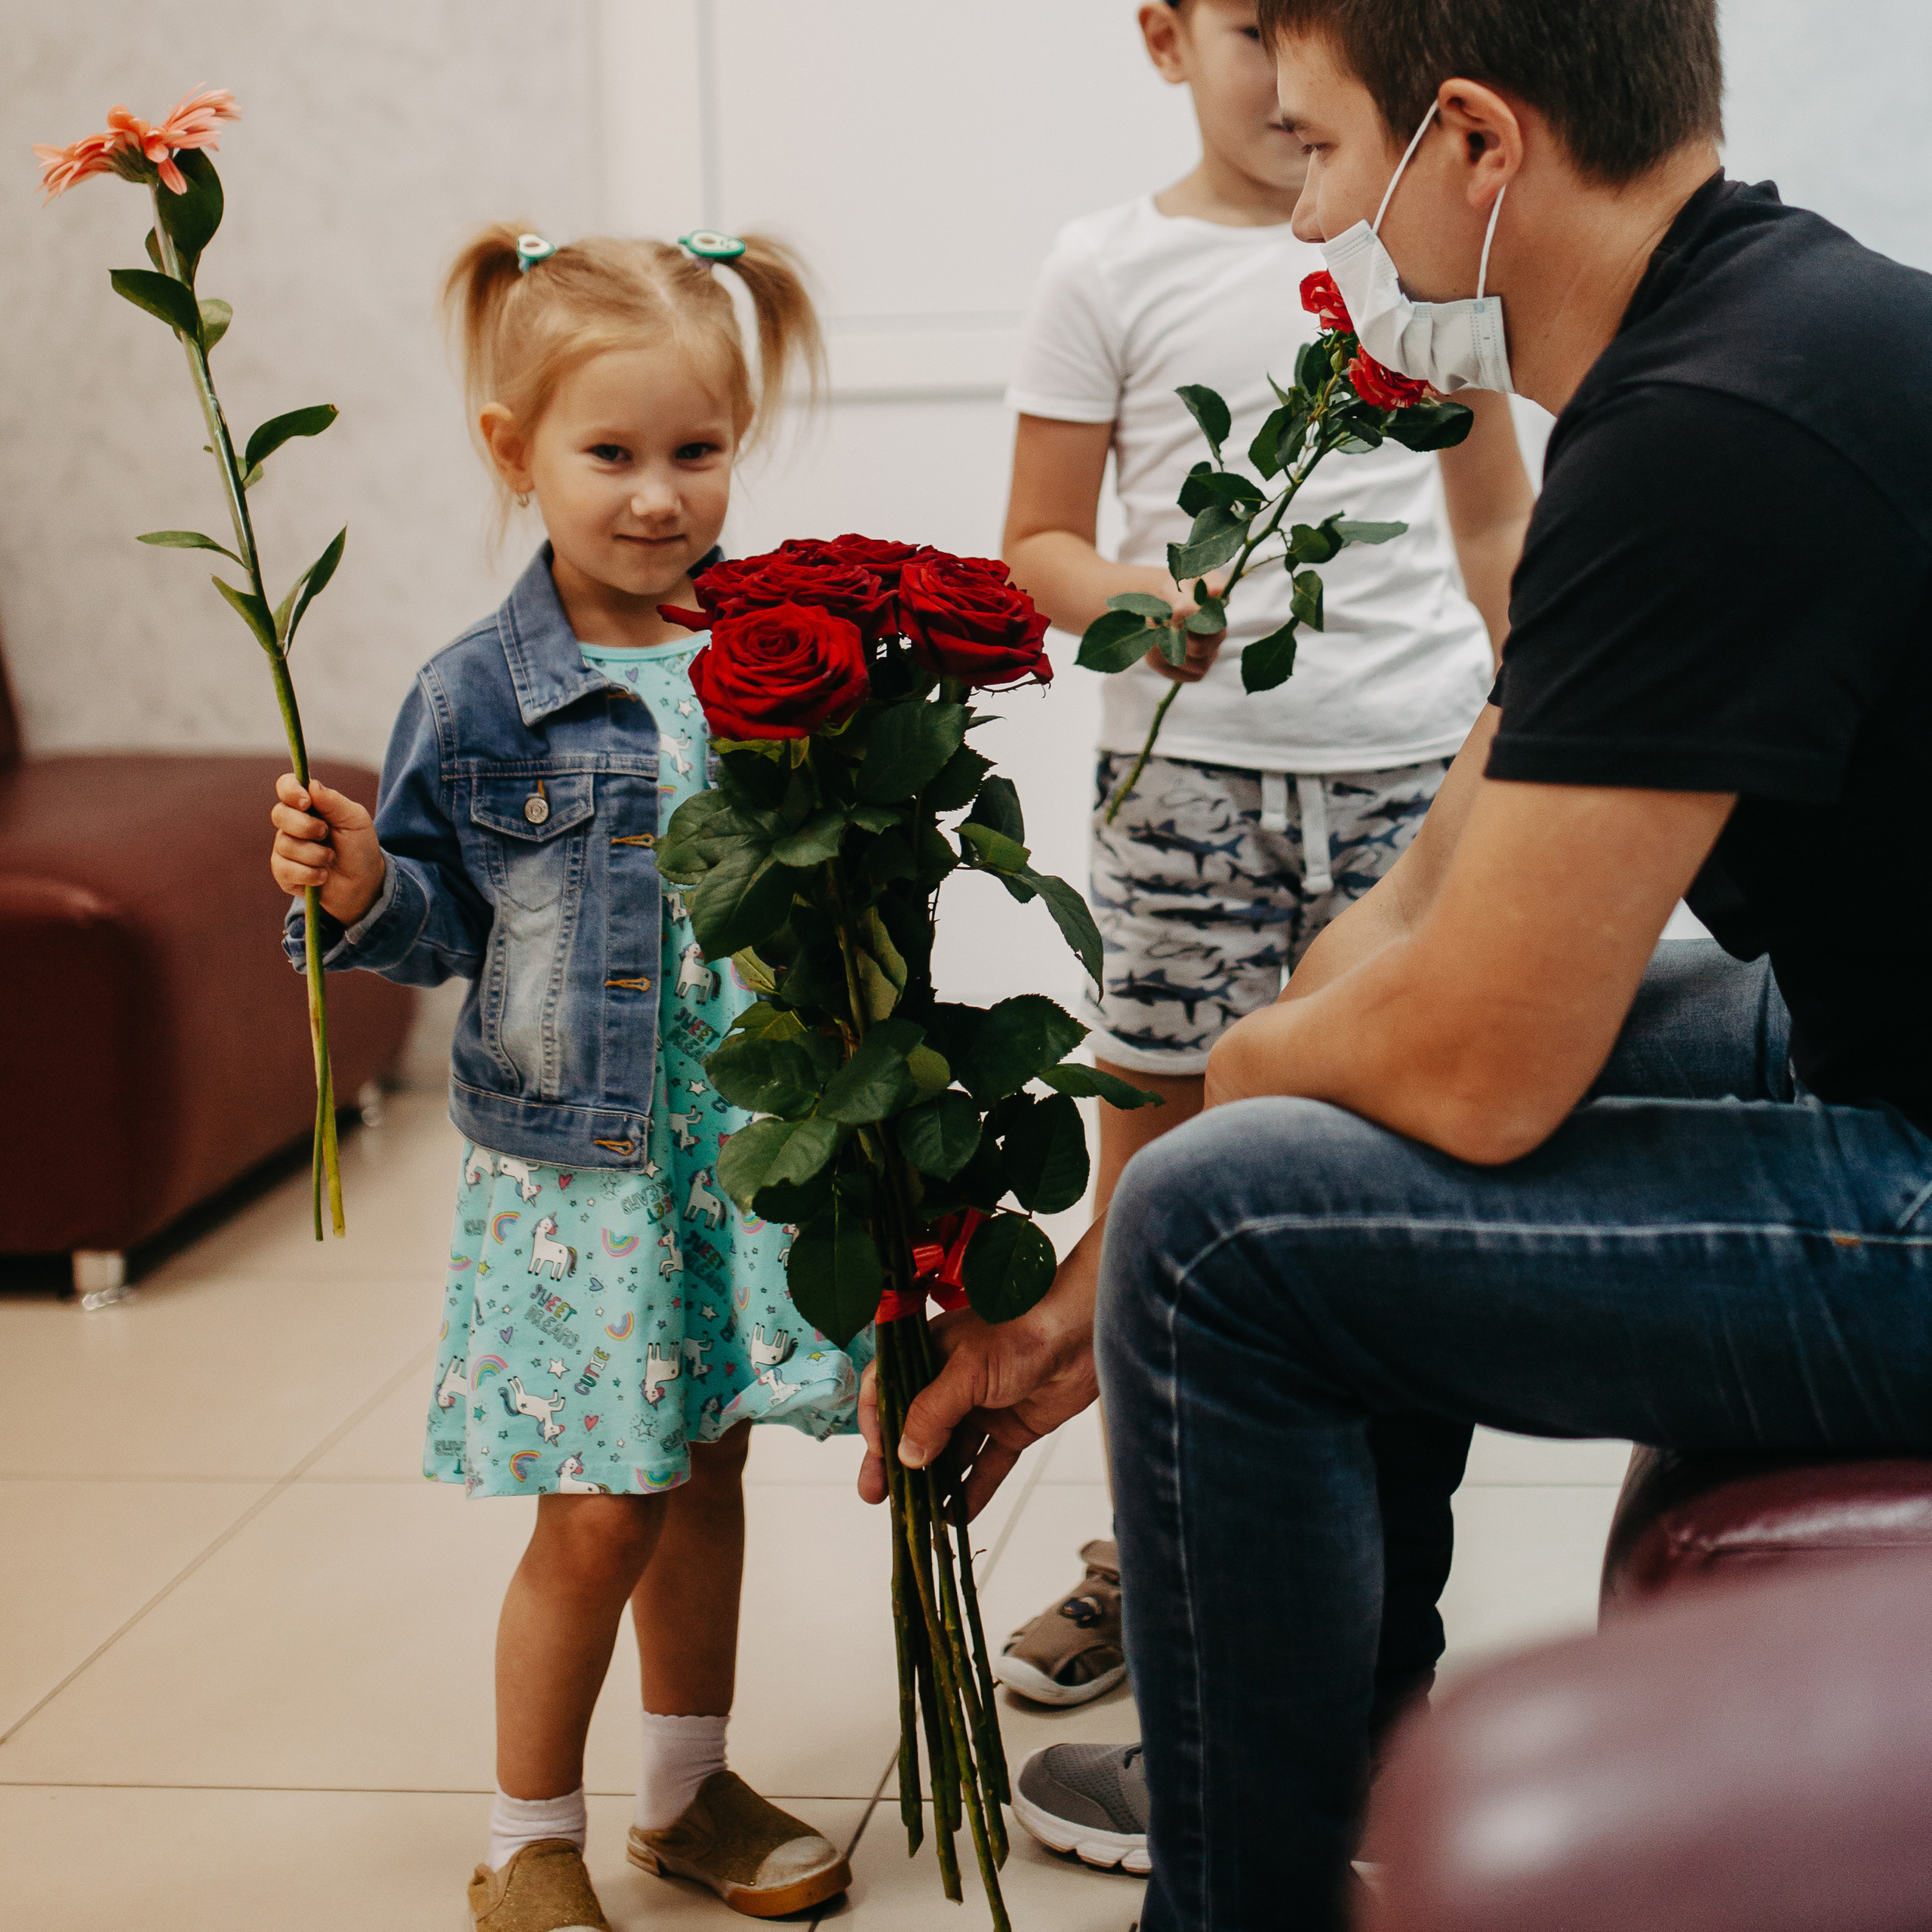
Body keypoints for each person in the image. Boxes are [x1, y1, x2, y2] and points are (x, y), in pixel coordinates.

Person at [857, 0, 1932, 1926]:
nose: (1305, 223)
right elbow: (1424, 895)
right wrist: (1069, 1294)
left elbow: (1471, 1062)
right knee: (1251, 1152)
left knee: (1225, 1232)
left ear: (1471, 143)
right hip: (1884, 1046)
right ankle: (1337, 1770)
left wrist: (1165, 1205)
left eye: (1326, 155)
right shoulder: (1733, 333)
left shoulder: (1715, 426)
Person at [269, 226, 855, 1932]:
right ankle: (528, 1829)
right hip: (580, 1170)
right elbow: (439, 920)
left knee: (709, 1461)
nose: (660, 495)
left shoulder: (774, 655)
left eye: (699, 449)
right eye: (612, 454)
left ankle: (685, 1785)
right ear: (512, 450)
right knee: (600, 1500)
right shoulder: (480, 694)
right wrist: (367, 887)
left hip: (730, 1143)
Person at [991, 0, 1531, 1848]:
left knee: (1363, 1198)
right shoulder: (1105, 266)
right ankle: (1173, 1589)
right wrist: (1133, 598)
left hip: (1402, 796)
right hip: (1185, 797)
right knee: (1158, 1198)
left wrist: (1532, 711)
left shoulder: (1420, 256)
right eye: (1246, 22)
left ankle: (1357, 1661)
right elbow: (1036, 543)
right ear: (1163, 39)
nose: (1283, 69)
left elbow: (1489, 532)